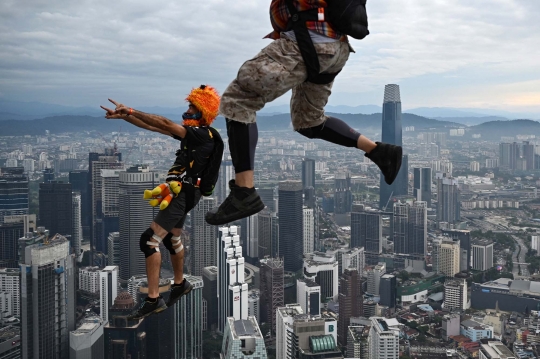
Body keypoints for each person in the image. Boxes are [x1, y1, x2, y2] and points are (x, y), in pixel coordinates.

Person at [205, 0, 402, 225]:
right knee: (309, 121)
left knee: (238, 101)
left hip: (307, 41)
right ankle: (379, 151)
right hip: (334, 49)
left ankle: (244, 191)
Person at [101, 85, 221, 319]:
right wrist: (126, 117)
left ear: (202, 111)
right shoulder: (195, 135)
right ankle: (180, 284)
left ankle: (153, 298)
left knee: (149, 241)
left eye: (191, 107)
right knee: (173, 238)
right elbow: (152, 126)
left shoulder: (201, 134)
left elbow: (164, 123)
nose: (187, 111)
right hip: (187, 191)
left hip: (184, 192)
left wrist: (132, 109)